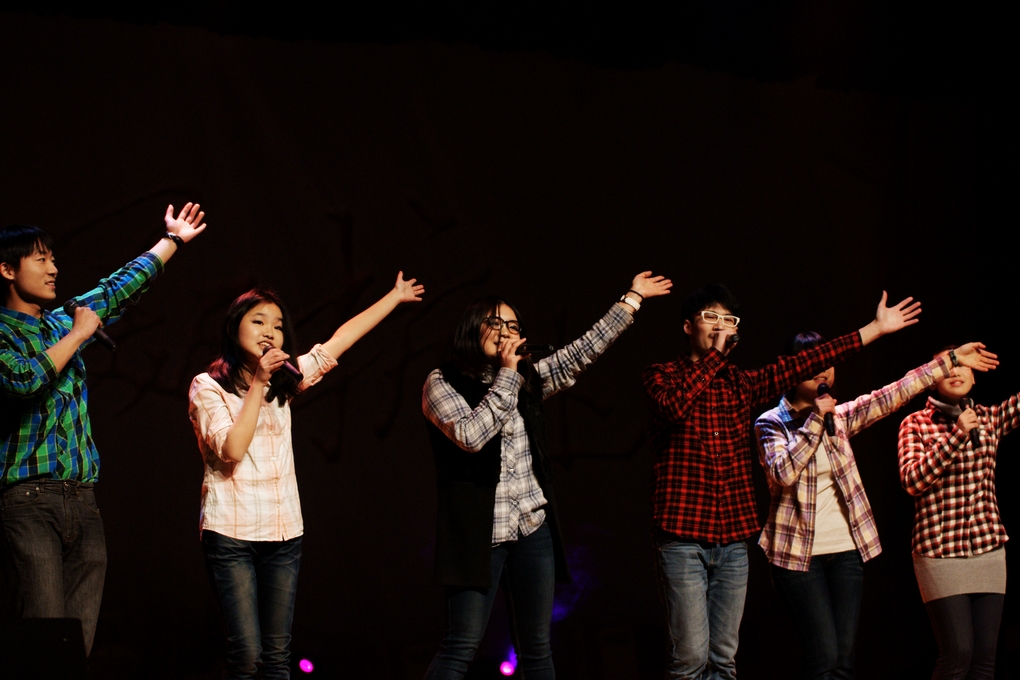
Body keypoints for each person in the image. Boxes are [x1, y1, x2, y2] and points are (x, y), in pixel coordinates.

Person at [641, 285, 922, 680]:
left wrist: (874, 329)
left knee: (724, 659)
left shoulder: (741, 384)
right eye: (711, 318)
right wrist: (717, 356)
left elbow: (809, 361)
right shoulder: (661, 376)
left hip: (732, 539)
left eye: (728, 320)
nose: (721, 327)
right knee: (689, 659)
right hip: (682, 536)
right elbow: (673, 407)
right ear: (688, 326)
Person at [422, 271, 672, 680]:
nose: (506, 331)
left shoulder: (528, 378)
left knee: (537, 648)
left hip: (531, 528)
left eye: (513, 325)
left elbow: (581, 351)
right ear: (471, 328)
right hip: (479, 534)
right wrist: (508, 375)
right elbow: (470, 435)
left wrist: (632, 298)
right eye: (495, 322)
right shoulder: (441, 381)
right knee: (460, 646)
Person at [188, 272, 423, 679]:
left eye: (278, 325)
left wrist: (394, 297)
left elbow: (338, 342)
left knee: (278, 657)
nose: (270, 332)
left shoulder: (284, 381)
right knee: (247, 655)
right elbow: (232, 450)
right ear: (234, 327)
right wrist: (259, 382)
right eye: (259, 321)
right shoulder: (208, 387)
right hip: (231, 533)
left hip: (283, 533)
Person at [0, 203, 207, 654]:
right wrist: (77, 336)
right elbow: (22, 380)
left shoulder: (61, 320)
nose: (54, 269)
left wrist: (171, 240)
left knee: (77, 644)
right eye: (41, 259)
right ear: (7, 270)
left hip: (83, 499)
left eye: (54, 258)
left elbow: (116, 290)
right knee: (43, 641)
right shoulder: (6, 333)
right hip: (28, 500)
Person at [755, 336, 997, 679]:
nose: (823, 370)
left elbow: (894, 393)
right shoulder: (771, 422)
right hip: (797, 556)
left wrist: (952, 359)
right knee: (823, 655)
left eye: (828, 362)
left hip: (846, 551)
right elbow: (783, 473)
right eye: (813, 363)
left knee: (844, 659)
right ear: (792, 370)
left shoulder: (840, 416)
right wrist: (815, 421)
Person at [898, 346, 1015, 680]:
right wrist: (957, 435)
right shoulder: (915, 423)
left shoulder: (989, 418)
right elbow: (912, 481)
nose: (956, 372)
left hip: (988, 547)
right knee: (958, 654)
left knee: (985, 659)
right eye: (949, 366)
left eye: (964, 366)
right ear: (932, 379)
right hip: (939, 552)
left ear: (975, 376)